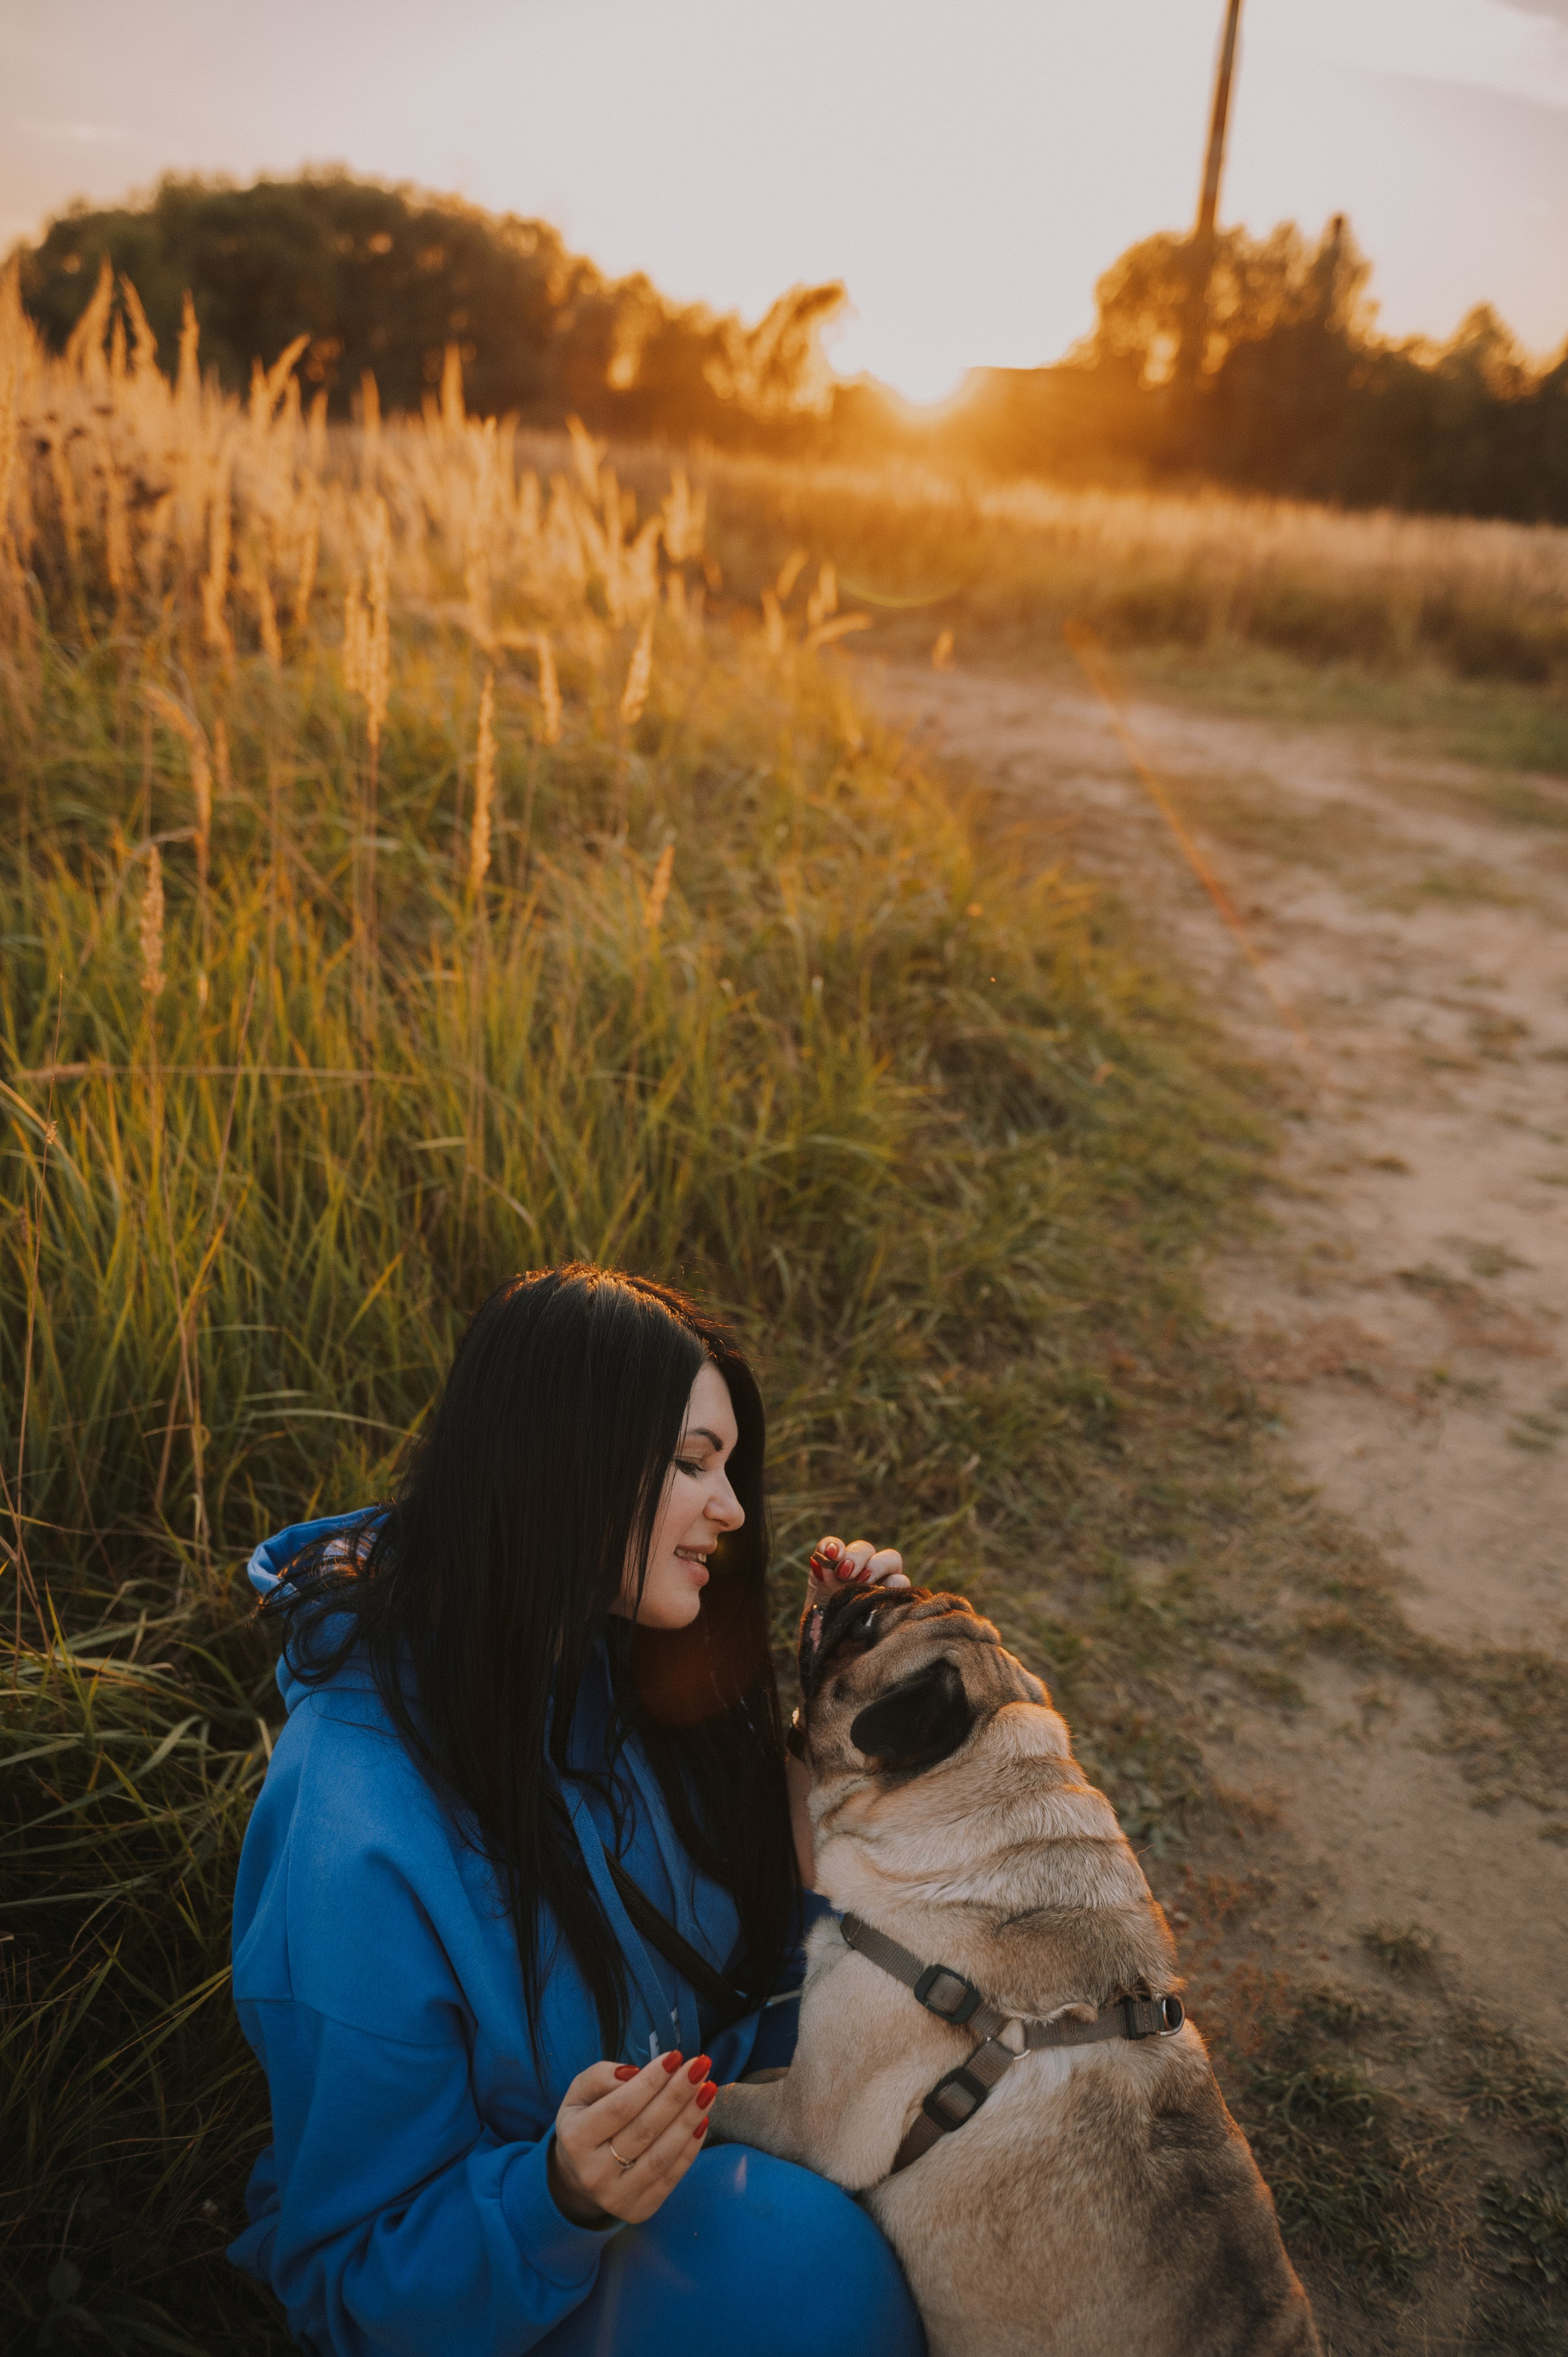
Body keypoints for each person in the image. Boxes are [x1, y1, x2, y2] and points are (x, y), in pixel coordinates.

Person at [228, 1262, 926, 2357]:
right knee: (818, 2282)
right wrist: (557, 2193)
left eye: (729, 1466)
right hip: (504, 2274)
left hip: (724, 2153)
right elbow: (349, 2277)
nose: (734, 1510)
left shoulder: (618, 1666)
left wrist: (836, 1701)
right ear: (569, 1464)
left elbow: (773, 1972)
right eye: (695, 1462)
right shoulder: (352, 1823)